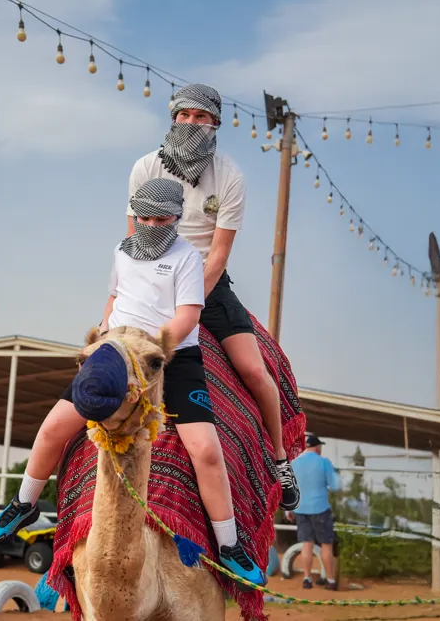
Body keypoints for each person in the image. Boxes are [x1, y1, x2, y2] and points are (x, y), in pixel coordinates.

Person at [0, 177, 267, 586]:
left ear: (175, 218)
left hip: (167, 354)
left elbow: (189, 313)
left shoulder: (188, 257)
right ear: (134, 216)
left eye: (162, 218)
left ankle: (229, 543)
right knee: (52, 429)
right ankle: (24, 501)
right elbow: (114, 298)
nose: (152, 225)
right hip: (116, 351)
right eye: (144, 217)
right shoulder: (122, 250)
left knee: (205, 450)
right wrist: (104, 334)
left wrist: (155, 348)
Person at [126, 83, 301, 512]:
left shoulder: (230, 176)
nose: (190, 122)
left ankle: (279, 459)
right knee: (107, 363)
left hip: (206, 280)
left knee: (255, 370)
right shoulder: (146, 167)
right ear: (173, 118)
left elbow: (219, 252)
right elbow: (133, 237)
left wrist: (188, 301)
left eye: (199, 116)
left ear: (215, 123)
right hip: (152, 276)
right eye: (183, 115)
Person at [285, 434, 341, 591]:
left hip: (301, 509)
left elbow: (290, 489)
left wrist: (289, 509)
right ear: (317, 447)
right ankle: (330, 580)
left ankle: (307, 579)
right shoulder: (323, 462)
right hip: (320, 508)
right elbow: (336, 485)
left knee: (306, 544)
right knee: (326, 545)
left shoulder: (294, 463)